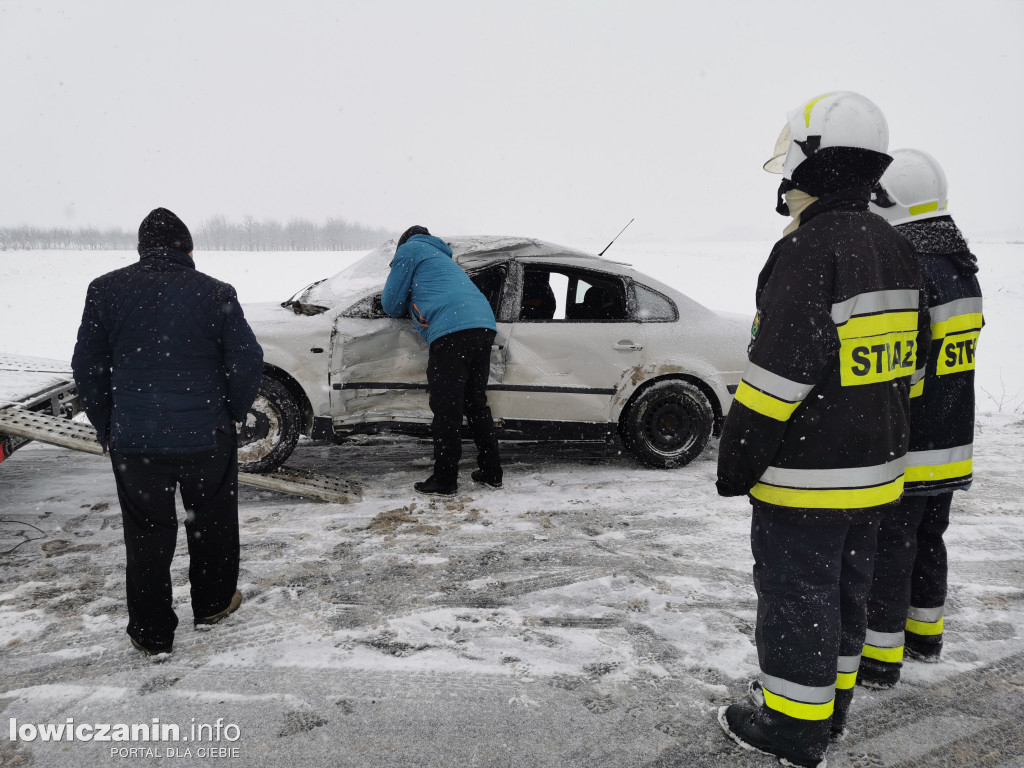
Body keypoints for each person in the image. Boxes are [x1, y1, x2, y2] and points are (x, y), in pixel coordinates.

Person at [714, 92, 931, 768]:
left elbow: (777, 376)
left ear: (813, 160)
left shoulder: (810, 252)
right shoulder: (898, 248)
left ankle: (791, 727)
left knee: (797, 596)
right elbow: (912, 369)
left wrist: (737, 459)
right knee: (844, 592)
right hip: (877, 474)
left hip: (807, 474)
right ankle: (828, 707)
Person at [72, 207, 263, 656]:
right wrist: (231, 413)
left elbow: (87, 366)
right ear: (188, 247)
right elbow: (247, 359)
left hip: (135, 442)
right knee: (213, 523)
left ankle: (152, 631)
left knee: (146, 535)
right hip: (205, 437)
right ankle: (214, 603)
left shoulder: (105, 290)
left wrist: (109, 426)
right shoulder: (216, 292)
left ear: (142, 248)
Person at [858, 150, 983, 688]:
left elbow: (903, 370)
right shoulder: (962, 268)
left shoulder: (913, 271)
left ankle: (880, 660)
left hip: (911, 444)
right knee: (930, 540)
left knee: (891, 547)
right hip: (952, 442)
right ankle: (924, 637)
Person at [381, 225, 502, 496]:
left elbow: (390, 304)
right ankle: (492, 471)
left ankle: (445, 480)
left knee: (447, 408)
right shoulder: (442, 258)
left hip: (452, 329)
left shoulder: (410, 250)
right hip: (483, 325)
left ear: (404, 242)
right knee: (475, 402)